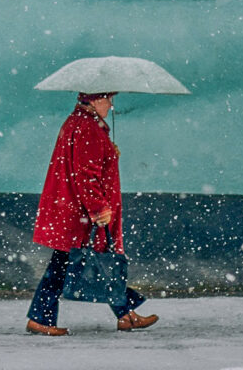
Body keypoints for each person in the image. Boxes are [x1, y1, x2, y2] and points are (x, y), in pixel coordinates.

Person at [26, 91, 158, 336]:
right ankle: (40, 318)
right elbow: (86, 175)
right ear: (96, 101)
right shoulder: (89, 129)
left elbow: (82, 166)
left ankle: (125, 314)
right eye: (108, 100)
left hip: (73, 209)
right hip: (84, 214)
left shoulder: (76, 122)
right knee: (94, 263)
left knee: (90, 262)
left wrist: (108, 152)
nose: (111, 105)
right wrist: (99, 209)